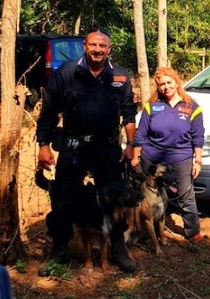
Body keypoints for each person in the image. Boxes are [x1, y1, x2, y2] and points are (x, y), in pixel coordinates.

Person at [36, 27, 138, 275]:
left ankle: (117, 248)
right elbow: (49, 111)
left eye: (103, 46)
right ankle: (59, 248)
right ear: (85, 45)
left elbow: (128, 112)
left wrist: (131, 145)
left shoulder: (120, 77)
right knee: (62, 198)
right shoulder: (67, 73)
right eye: (93, 45)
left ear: (109, 49)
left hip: (107, 147)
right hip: (74, 145)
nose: (98, 50)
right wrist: (43, 145)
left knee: (116, 198)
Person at [132, 67, 205, 243]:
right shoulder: (152, 107)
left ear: (176, 82)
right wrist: (135, 157)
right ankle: (143, 230)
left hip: (180, 159)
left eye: (168, 82)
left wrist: (198, 161)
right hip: (152, 158)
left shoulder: (192, 107)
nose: (166, 87)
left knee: (185, 197)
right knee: (147, 195)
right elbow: (141, 134)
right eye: (161, 84)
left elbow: (198, 137)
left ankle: (193, 233)